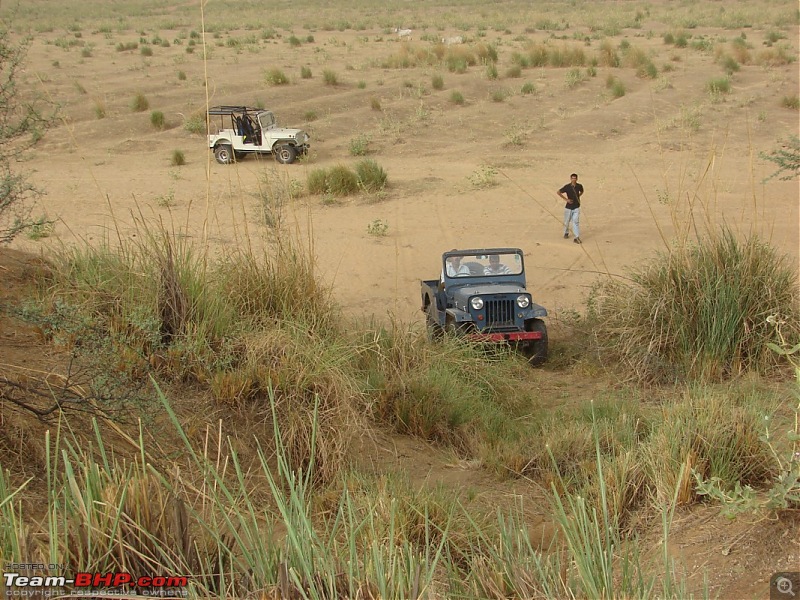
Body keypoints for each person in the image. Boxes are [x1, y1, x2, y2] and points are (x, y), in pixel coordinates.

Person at [557, 173, 585, 244]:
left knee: (576, 222)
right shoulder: (567, 187)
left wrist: (578, 196)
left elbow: (582, 191)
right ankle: (566, 232)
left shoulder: (579, 186)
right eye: (572, 178)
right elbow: (558, 192)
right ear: (570, 179)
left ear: (577, 179)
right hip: (568, 207)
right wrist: (566, 200)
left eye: (575, 178)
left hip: (576, 207)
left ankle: (576, 237)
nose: (573, 179)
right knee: (567, 221)